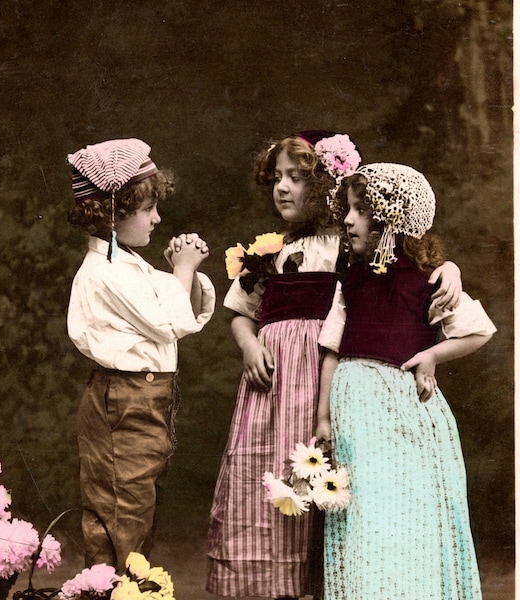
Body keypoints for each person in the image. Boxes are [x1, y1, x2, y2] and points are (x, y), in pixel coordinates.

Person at [206, 132, 462, 600]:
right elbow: (241, 312)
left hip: (330, 381)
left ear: (326, 185)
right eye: (277, 178)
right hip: (276, 385)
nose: (282, 188)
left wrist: (450, 270)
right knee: (273, 476)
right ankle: (274, 584)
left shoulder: (351, 246)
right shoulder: (267, 252)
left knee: (336, 482)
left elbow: (408, 270)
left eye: (297, 178)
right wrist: (247, 345)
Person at [317, 163, 496, 599]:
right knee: (365, 513)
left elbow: (479, 330)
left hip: (405, 410)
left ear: (388, 221)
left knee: (408, 510)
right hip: (354, 406)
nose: (348, 219)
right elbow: (332, 349)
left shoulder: (428, 279)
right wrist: (322, 417)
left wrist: (431, 356)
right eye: (350, 209)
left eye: (361, 211)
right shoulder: (351, 279)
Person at [66, 138, 216, 573]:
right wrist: (183, 270)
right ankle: (111, 589)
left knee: (136, 508)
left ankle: (126, 587)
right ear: (114, 212)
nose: (158, 217)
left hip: (145, 400)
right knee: (120, 512)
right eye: (148, 208)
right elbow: (169, 322)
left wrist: (178, 272)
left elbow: (172, 308)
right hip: (125, 403)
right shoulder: (105, 271)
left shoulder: (127, 264)